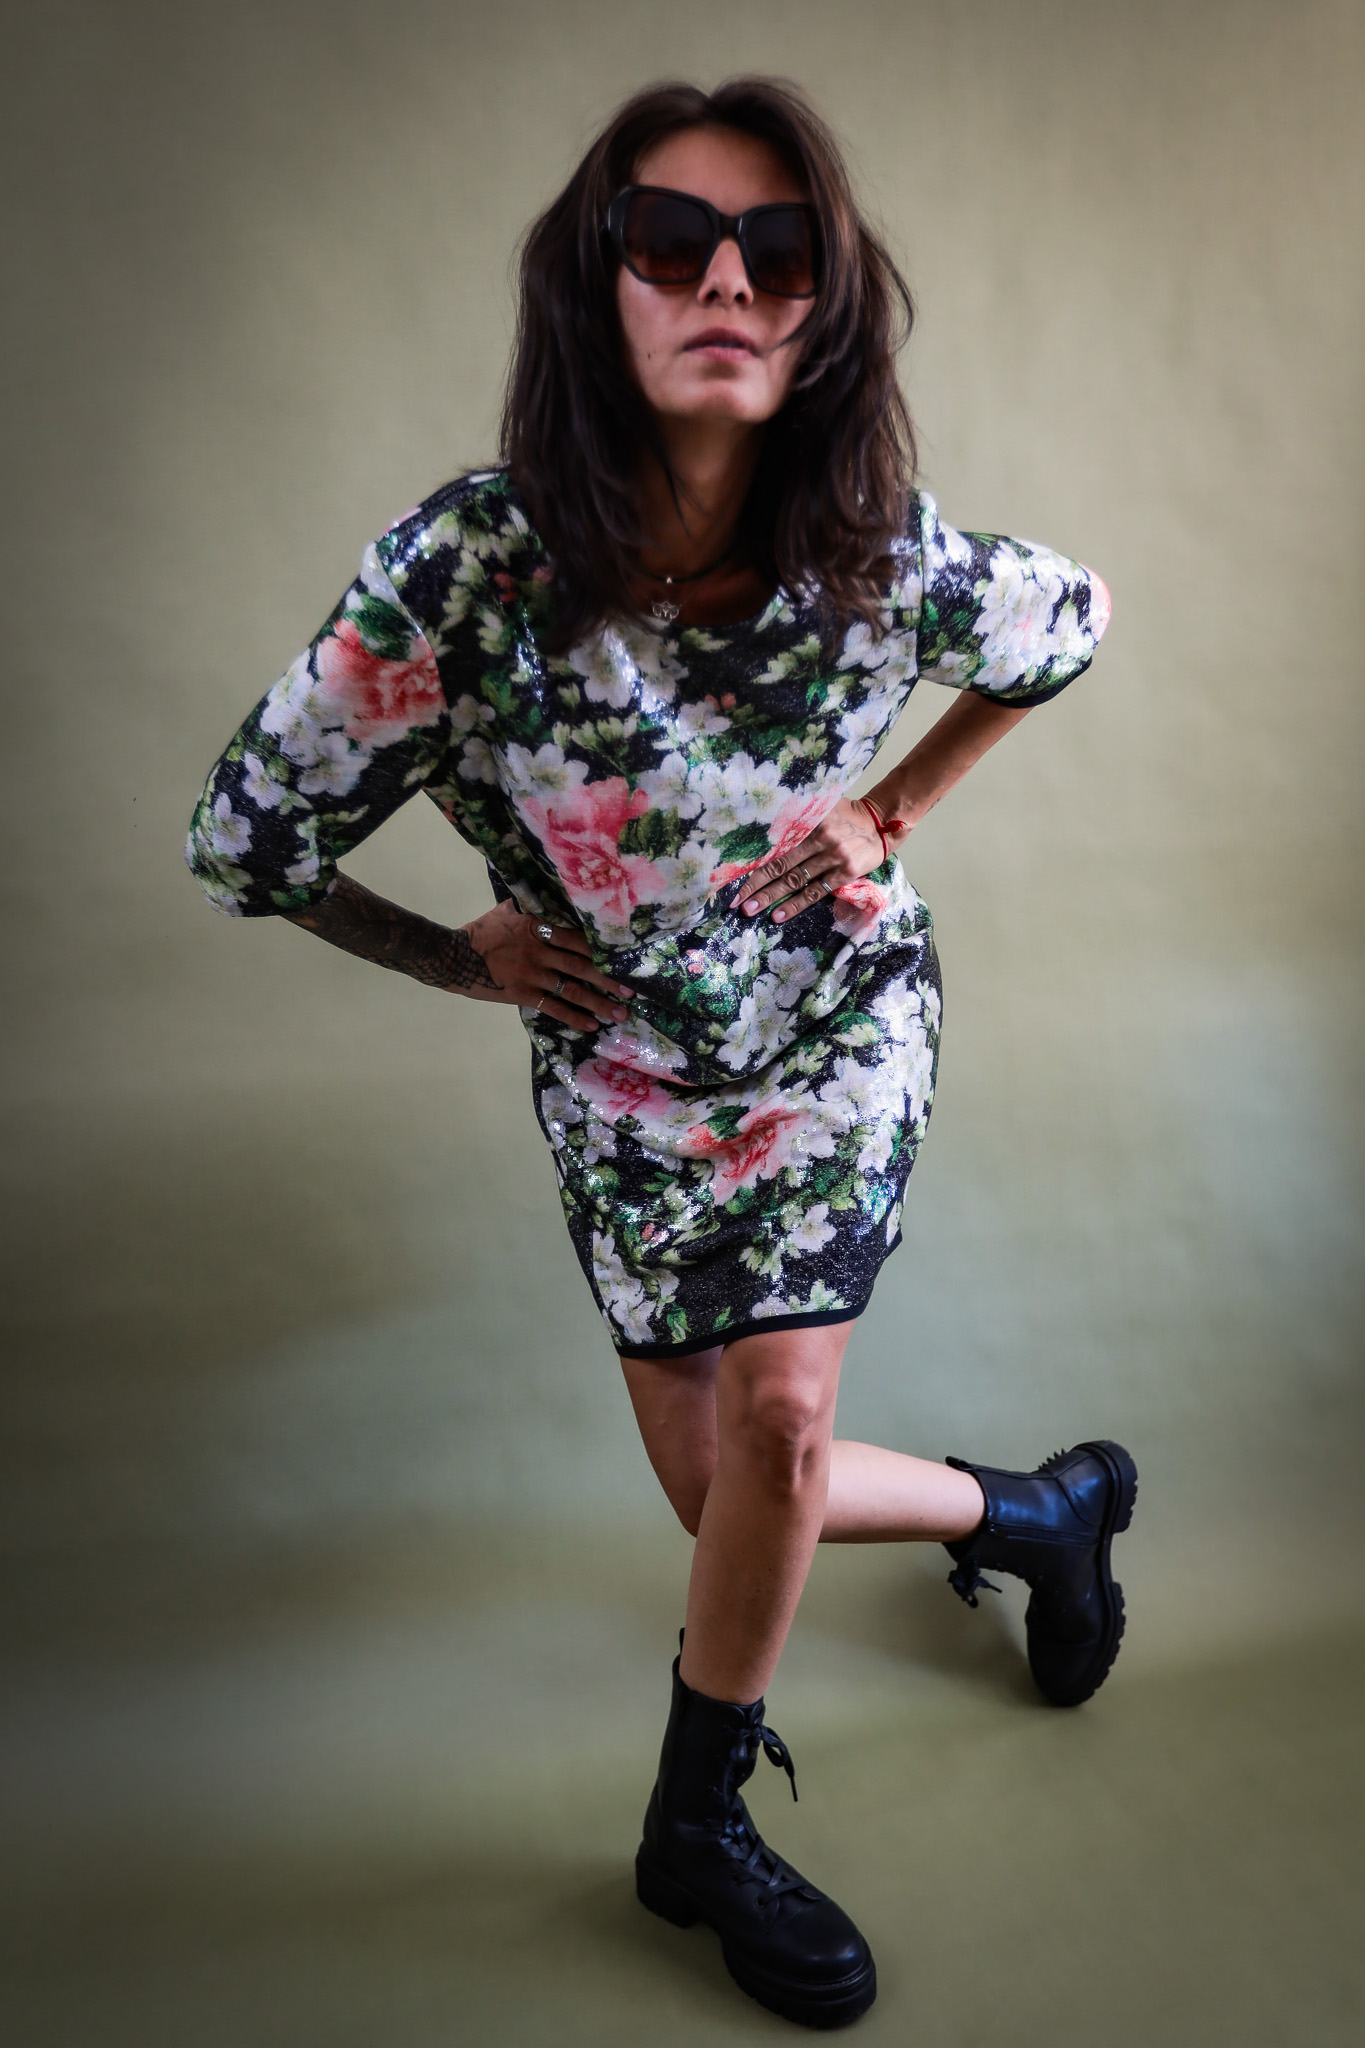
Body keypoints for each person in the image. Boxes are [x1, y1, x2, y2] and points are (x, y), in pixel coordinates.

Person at [187, 77, 1136, 2031]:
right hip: (623, 1078)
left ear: (821, 305)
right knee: (723, 1504)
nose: (724, 279)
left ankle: (690, 1830)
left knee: (779, 1432)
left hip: (834, 1026)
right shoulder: (467, 573)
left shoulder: (870, 547)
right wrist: (465, 959)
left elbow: (1067, 625)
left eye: (776, 251)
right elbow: (250, 835)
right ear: (593, 281)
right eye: (670, 239)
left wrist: (888, 808)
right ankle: (1037, 1516)